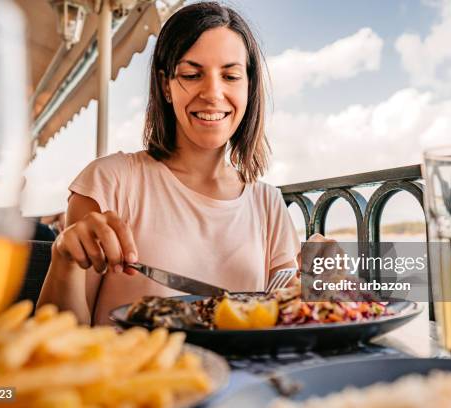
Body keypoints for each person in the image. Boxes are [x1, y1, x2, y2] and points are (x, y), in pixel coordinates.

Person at [38, 2, 310, 325]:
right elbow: (60, 339)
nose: (213, 92)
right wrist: (63, 259)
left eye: (231, 75)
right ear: (166, 85)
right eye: (192, 74)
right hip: (131, 374)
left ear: (248, 86)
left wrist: (324, 284)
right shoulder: (110, 183)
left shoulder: (269, 204)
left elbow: (291, 319)